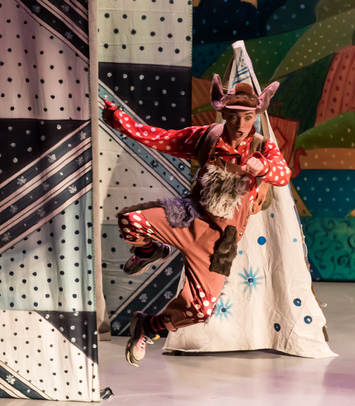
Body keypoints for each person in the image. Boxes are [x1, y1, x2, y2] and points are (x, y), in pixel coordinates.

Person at [101, 74, 291, 367]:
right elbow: (159, 137)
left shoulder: (262, 146)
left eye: (247, 117)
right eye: (233, 117)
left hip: (218, 242)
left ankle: (148, 326)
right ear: (224, 115)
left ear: (256, 116)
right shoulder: (208, 136)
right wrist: (120, 121)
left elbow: (283, 174)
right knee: (131, 221)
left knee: (199, 310)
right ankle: (150, 251)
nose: (240, 125)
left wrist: (263, 167)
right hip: (189, 217)